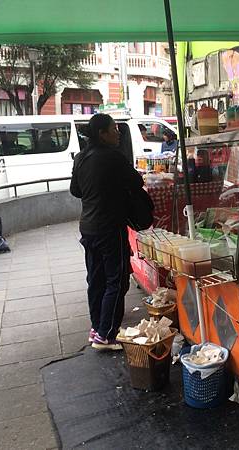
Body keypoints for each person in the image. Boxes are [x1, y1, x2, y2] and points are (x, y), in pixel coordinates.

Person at [70, 114, 144, 350]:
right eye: (114, 129)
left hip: (88, 228)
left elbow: (75, 190)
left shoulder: (81, 157)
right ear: (102, 133)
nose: (118, 132)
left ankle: (97, 327)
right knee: (116, 279)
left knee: (96, 279)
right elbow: (136, 182)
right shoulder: (113, 157)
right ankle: (107, 334)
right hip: (110, 227)